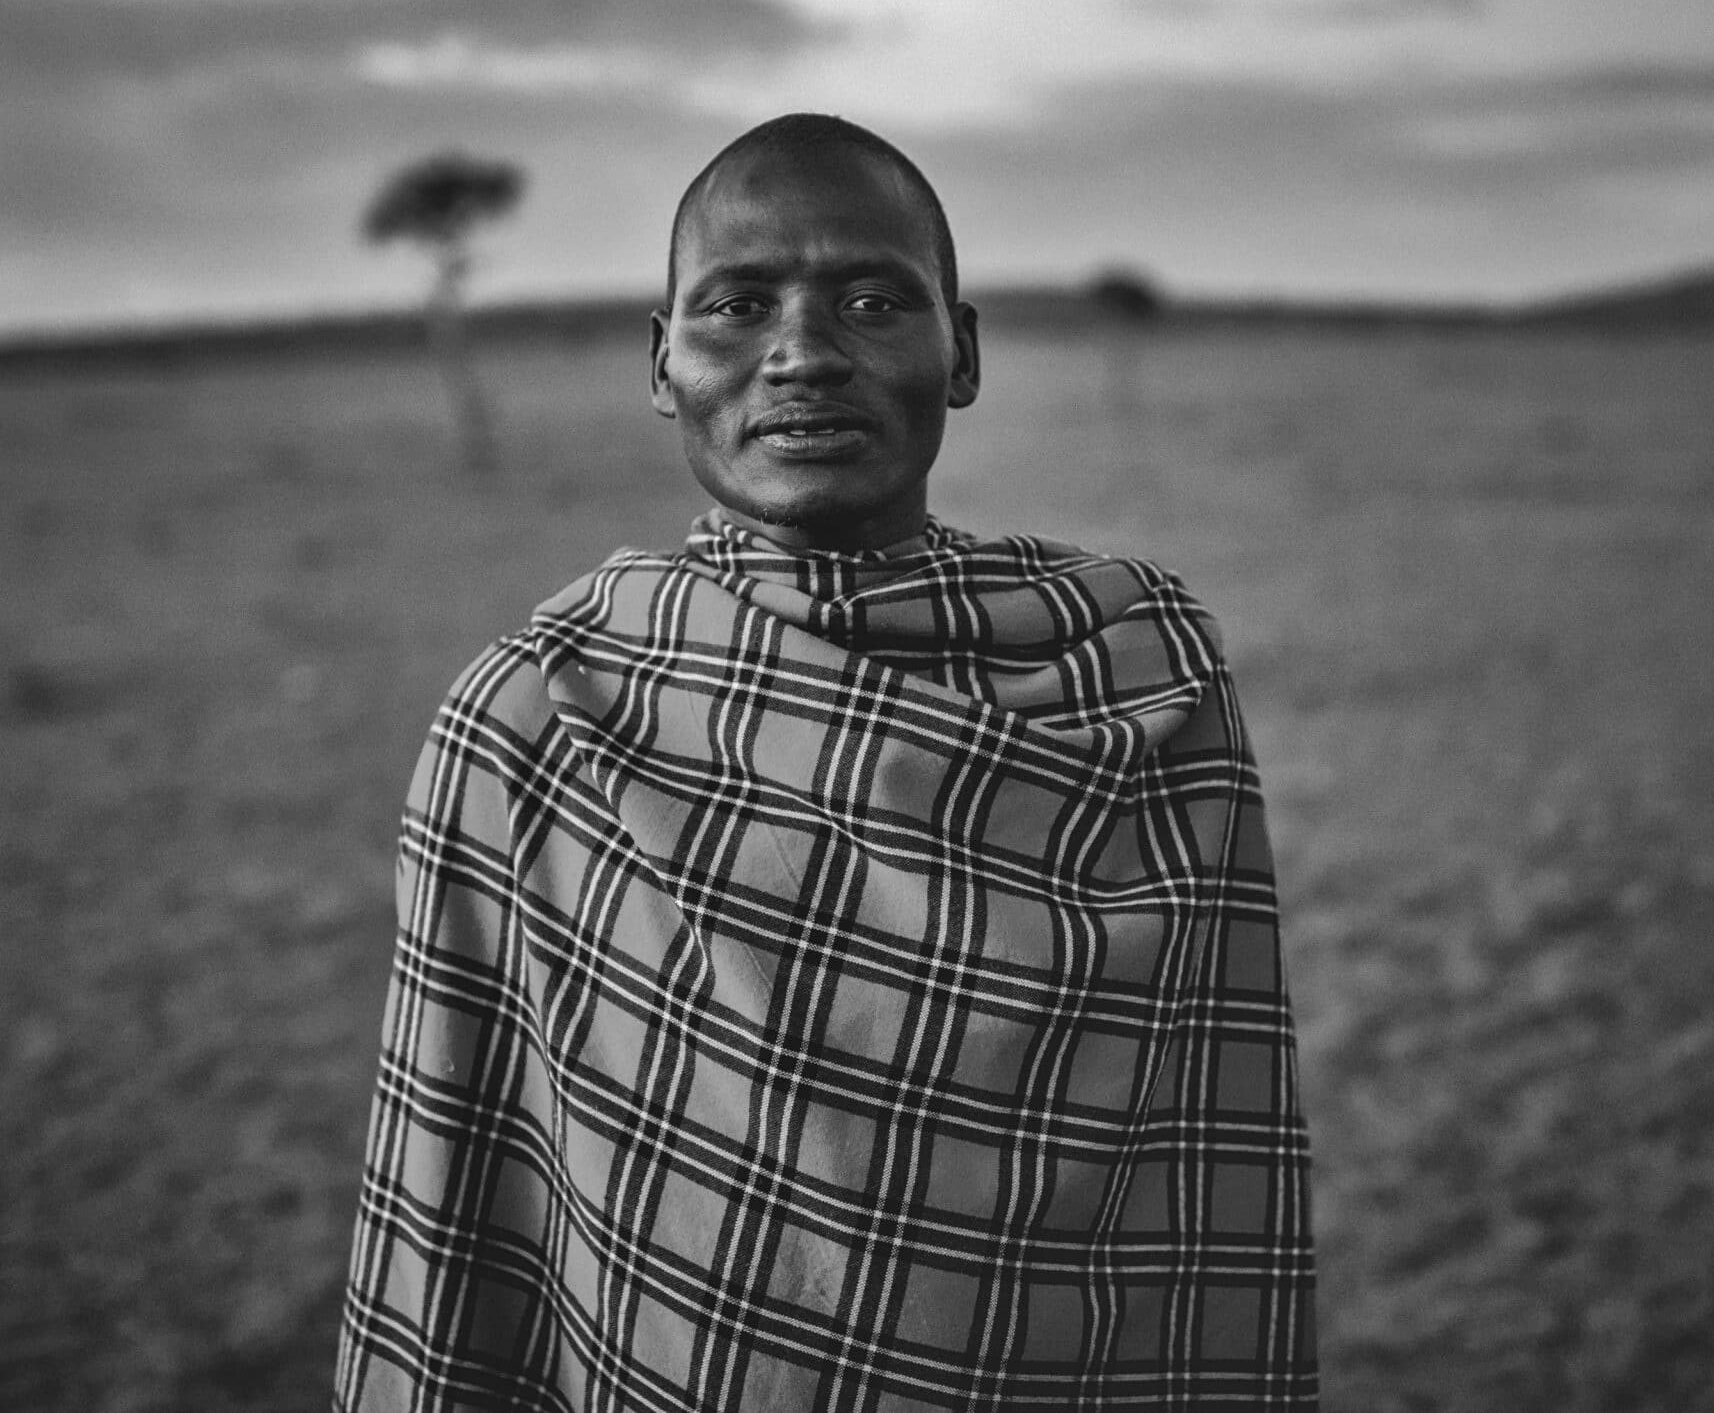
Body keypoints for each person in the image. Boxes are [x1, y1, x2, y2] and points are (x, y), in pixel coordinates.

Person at [334, 114, 1316, 1409]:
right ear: (661, 361)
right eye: (736, 306)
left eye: (871, 300)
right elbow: (458, 1189)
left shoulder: (1137, 673)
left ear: (960, 352)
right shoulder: (535, 715)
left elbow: (1204, 1140)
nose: (802, 354)